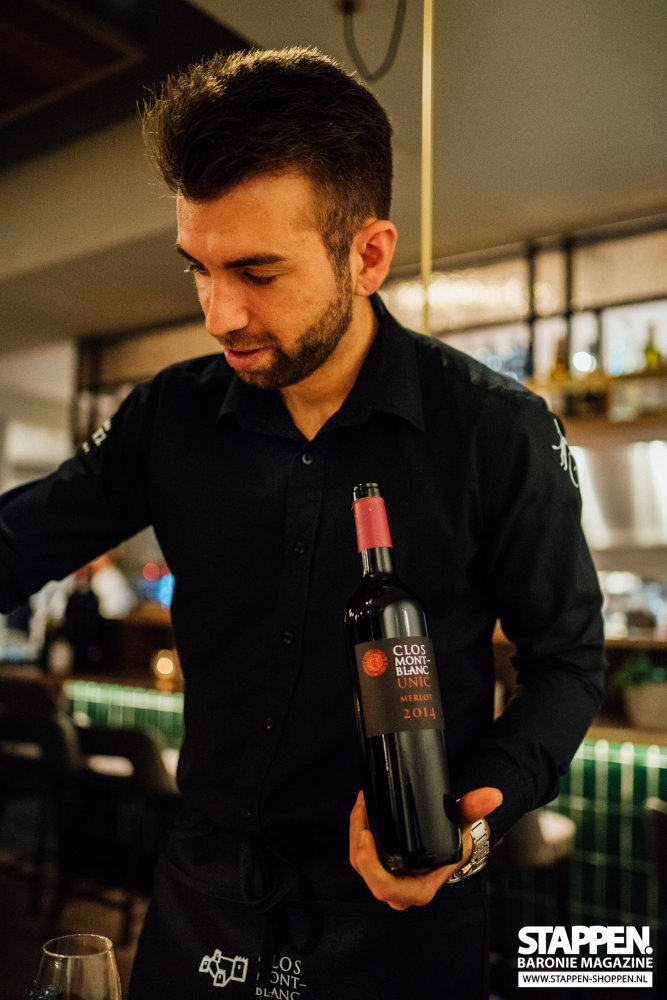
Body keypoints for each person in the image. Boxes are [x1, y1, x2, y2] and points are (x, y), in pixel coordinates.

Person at [0, 47, 604, 998]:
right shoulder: (170, 416)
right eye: (198, 270)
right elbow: (16, 542)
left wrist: (472, 813)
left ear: (367, 255)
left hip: (398, 905)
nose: (218, 314)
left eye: (256, 272)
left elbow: (565, 661)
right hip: (206, 894)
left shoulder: (493, 430)